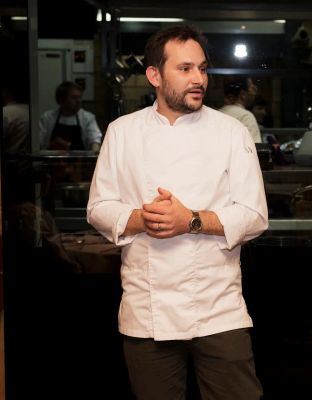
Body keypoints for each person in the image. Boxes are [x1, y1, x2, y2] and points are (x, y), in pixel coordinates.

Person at [87, 25, 267, 400]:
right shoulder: (122, 132)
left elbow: (254, 216)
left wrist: (192, 221)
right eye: (185, 69)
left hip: (219, 309)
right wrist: (144, 219)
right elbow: (99, 208)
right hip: (147, 311)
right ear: (155, 75)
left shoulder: (231, 132)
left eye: (202, 68)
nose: (198, 78)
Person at [39, 81, 102, 151]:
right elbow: (39, 143)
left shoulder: (88, 118)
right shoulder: (47, 117)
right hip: (52, 157)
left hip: (81, 158)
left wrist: (94, 153)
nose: (78, 101)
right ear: (62, 99)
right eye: (74, 97)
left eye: (80, 97)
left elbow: (95, 140)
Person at [219, 76, 262, 143]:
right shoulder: (246, 117)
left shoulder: (217, 114)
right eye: (252, 88)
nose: (254, 93)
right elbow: (253, 148)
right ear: (243, 94)